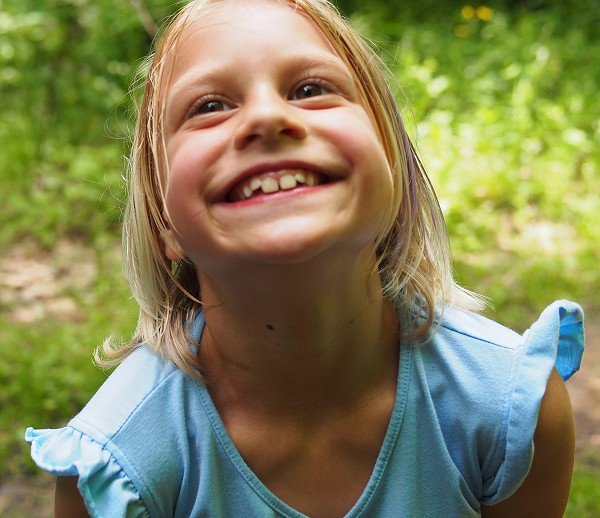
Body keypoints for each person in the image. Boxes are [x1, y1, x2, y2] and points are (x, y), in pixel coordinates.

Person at [26, 0, 585, 516]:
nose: (268, 119)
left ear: (391, 166)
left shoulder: (507, 412)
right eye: (210, 105)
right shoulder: (120, 471)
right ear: (163, 223)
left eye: (311, 89)